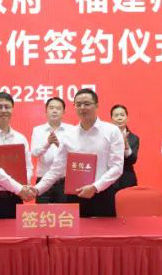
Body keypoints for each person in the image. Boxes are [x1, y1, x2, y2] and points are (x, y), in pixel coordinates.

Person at [32, 88, 124, 217]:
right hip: (75, 195)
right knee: (75, 230)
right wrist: (37, 189)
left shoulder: (112, 131)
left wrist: (95, 187)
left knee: (103, 230)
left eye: (87, 104)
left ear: (96, 105)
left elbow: (117, 167)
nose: (82, 108)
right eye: (78, 104)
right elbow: (56, 169)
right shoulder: (69, 135)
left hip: (103, 194)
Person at [30, 97, 71, 203]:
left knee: (65, 212)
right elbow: (34, 153)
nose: (54, 111)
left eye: (58, 108)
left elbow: (74, 154)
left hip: (64, 181)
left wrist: (59, 145)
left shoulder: (71, 130)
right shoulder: (38, 130)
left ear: (64, 112)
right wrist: (47, 143)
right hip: (43, 180)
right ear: (46, 111)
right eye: (51, 108)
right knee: (43, 213)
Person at [110, 104, 139, 190]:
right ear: (111, 119)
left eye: (122, 115)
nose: (119, 118)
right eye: (116, 115)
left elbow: (132, 160)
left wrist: (126, 146)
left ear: (127, 118)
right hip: (109, 179)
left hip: (127, 179)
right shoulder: (106, 136)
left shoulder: (134, 138)